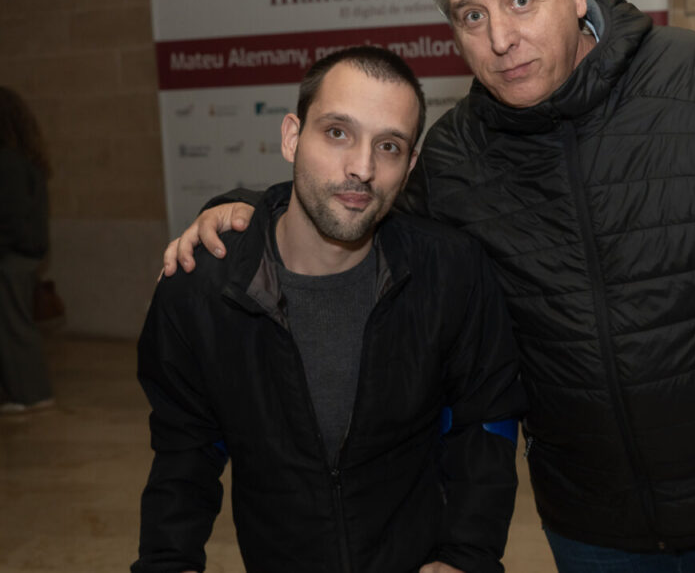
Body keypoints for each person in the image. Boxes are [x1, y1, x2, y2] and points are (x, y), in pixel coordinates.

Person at [163, 0, 695, 571]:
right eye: (471, 16)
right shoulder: (451, 159)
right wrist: (243, 206)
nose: (502, 39)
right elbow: (351, 200)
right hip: (591, 522)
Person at [134, 47, 525, 573]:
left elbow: (485, 422)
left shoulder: (451, 272)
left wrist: (468, 556)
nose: (361, 168)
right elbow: (183, 454)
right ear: (292, 137)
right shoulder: (201, 289)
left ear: (409, 166)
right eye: (337, 132)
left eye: (389, 146)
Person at [0, 86, 55, 415]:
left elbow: (10, 218)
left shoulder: (7, 161)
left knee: (15, 327)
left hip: (12, 257)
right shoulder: (26, 158)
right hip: (23, 254)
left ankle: (31, 394)